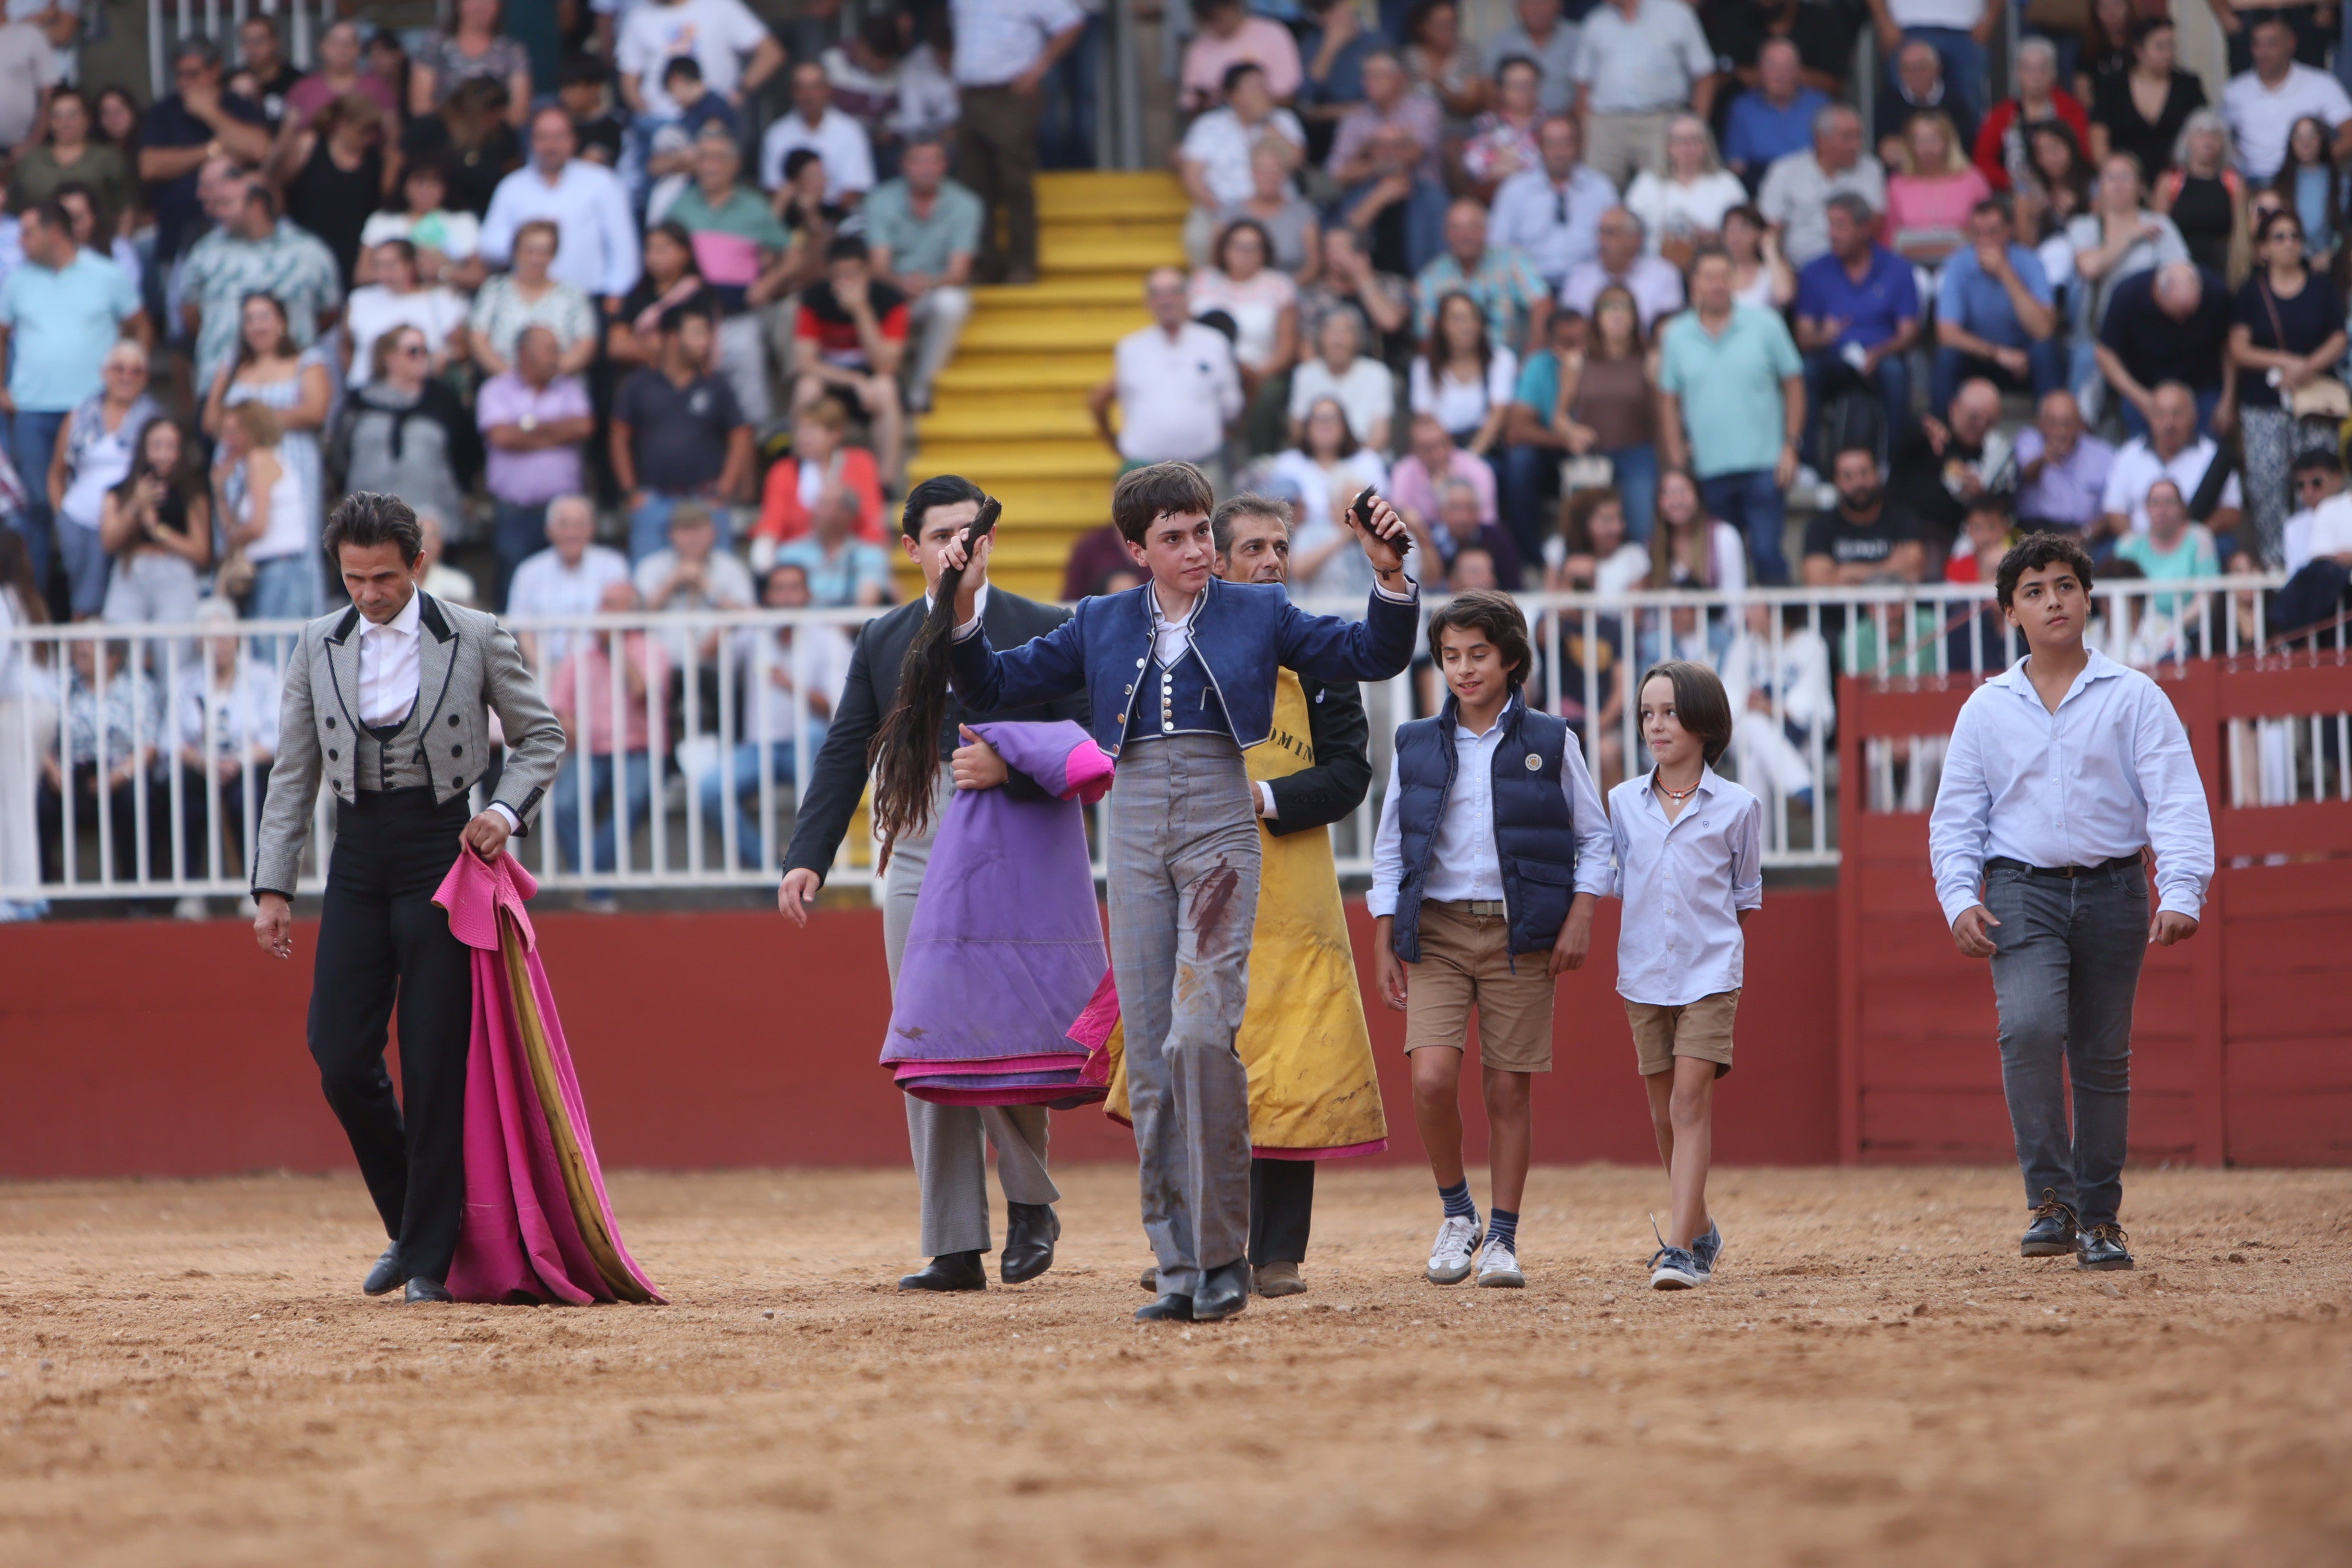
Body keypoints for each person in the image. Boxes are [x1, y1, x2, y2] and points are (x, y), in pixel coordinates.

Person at [942, 461, 1418, 1322]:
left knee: (1203, 1035)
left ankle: (1223, 1256)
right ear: (1136, 551)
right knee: (1157, 1048)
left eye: (1203, 531)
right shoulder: (1099, 621)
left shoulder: (1259, 610)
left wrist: (1389, 577)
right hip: (1132, 826)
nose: (1198, 548)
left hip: (1220, 821)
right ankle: (1178, 1265)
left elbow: (1370, 653)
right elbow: (992, 686)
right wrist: (966, 602)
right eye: (1177, 537)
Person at [250, 492, 567, 1305]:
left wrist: (501, 810)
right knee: (339, 1053)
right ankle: (412, 1221)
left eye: (383, 576)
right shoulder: (318, 642)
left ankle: (428, 1257)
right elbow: (294, 771)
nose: (368, 593)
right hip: (356, 856)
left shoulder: (474, 632)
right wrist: (273, 884)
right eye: (353, 578)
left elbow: (542, 736)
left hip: (441, 848)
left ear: (417, 563)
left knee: (432, 1062)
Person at [779, 475, 1088, 1292]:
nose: (964, 544)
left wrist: (1013, 759)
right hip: (916, 839)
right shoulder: (884, 637)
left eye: (974, 530)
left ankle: (1027, 1204)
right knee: (928, 1031)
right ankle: (954, 1240)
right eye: (945, 531)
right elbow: (847, 747)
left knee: (1005, 1026)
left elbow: (1088, 735)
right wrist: (807, 851)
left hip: (1015, 839)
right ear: (911, 547)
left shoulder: (1044, 626)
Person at [1107, 496, 1385, 1299]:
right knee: (1196, 1059)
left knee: (1291, 1068)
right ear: (1216, 561)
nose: (1271, 561)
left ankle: (1277, 1251)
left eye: (1282, 547)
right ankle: (1198, 1241)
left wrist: (1258, 800)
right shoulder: (1171, 650)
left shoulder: (1317, 652)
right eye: (1253, 548)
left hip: (1292, 893)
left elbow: (1348, 776)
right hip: (1194, 886)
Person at [1928, 531, 2213, 1274]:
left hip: (2117, 885)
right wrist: (1960, 895)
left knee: (2099, 1054)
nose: (2052, 599)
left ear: (2088, 598)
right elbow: (1956, 814)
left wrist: (2180, 885)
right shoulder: (1986, 708)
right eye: (2034, 590)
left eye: (2064, 585)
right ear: (2010, 612)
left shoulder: (2134, 695)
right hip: (2020, 888)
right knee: (2027, 1028)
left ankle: (2100, 1217)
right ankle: (2050, 1200)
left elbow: (2176, 797)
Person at [1369, 589, 1611, 1289]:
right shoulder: (1416, 741)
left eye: (1479, 654)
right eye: (1451, 656)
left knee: (1508, 1089)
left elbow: (1594, 839)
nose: (1465, 669)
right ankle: (1458, 1211)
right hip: (1439, 928)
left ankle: (1502, 1234)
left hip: (1521, 932)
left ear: (1510, 658)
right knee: (1432, 1077)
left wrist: (1581, 914)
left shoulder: (1552, 739)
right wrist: (1385, 938)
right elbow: (1391, 849)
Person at [1605, 658, 1758, 1289]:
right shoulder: (1621, 802)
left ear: (1703, 722)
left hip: (1709, 974)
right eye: (1647, 713)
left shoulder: (1738, 806)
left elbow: (1744, 895)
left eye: (1669, 712)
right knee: (1665, 1111)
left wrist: (1714, 957)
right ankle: (1697, 1226)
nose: (1655, 725)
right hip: (1642, 973)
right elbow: (1616, 880)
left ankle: (1682, 1248)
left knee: (1690, 1100)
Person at [0, 197, 141, 607]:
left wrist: (127, 375)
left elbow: (139, 326)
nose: (19, 241)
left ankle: (97, 614)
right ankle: (34, 611)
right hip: (33, 411)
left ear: (53, 232)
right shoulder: (18, 280)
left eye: (27, 232)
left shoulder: (107, 274)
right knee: (36, 508)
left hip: (95, 411)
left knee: (100, 510)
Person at [1658, 245, 1804, 584]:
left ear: (1735, 279)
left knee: (1767, 555)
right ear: (1694, 282)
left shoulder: (1766, 323)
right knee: (1717, 567)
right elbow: (1668, 400)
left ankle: (1780, 633)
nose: (1717, 284)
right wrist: (1678, 459)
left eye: (1724, 275)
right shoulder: (1677, 335)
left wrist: (1791, 446)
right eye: (1708, 276)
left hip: (1765, 465)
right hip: (1707, 470)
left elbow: (1795, 384)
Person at [700, 560, 854, 872]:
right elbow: (706, 657)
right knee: (709, 789)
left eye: (794, 588)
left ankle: (810, 861)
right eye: (779, 589)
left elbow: (841, 709)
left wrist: (794, 687)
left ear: (807, 595)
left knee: (812, 734)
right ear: (768, 596)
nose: (786, 597)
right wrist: (730, 618)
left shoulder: (827, 638)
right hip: (760, 748)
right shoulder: (757, 632)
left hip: (811, 748)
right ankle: (772, 867)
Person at [2230, 206, 2345, 565]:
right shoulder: (2251, 293)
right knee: (2268, 486)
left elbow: (2339, 338)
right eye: (2279, 237)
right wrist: (2285, 363)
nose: (2289, 244)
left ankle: (2321, 560)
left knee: (2318, 480)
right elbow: (2238, 348)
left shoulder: (2322, 288)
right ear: (2263, 248)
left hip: (2314, 403)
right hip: (2265, 403)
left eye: (2295, 237)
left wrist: (2307, 367)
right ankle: (2277, 567)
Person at [667, 126, 795, 428]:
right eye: (703, 158)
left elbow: (793, 253)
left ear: (735, 165)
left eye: (717, 158)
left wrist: (769, 283)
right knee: (693, 406)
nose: (709, 165)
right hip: (693, 320)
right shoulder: (681, 205)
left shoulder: (753, 206)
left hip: (740, 319)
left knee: (750, 411)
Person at [952, 0, 1086, 285]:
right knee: (973, 184)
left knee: (1015, 182)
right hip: (971, 95)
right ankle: (984, 264)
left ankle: (1022, 265)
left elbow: (1072, 22)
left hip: (1011, 94)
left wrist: (1039, 68)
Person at [545, 578, 665, 888]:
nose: (602, 611)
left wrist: (615, 647)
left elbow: (642, 692)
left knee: (632, 799)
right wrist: (569, 725)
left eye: (612, 605)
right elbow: (560, 707)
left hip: (638, 750)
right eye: (602, 604)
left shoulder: (651, 650)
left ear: (631, 612)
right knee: (562, 804)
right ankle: (596, 886)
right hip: (590, 751)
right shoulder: (579, 656)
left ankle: (588, 882)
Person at [178, 177, 342, 400]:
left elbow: (329, 314)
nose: (218, 212)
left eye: (227, 204)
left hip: (290, 388)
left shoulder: (309, 251)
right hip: (220, 384)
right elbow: (190, 312)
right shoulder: (205, 251)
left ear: (256, 205)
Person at [614, 304, 754, 561]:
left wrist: (724, 490)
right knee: (646, 585)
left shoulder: (716, 383)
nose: (707, 342)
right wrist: (630, 491)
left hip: (706, 499)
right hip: (653, 500)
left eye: (708, 334)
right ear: (672, 337)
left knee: (719, 580)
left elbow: (741, 435)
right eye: (697, 333)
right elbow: (619, 437)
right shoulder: (638, 384)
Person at [333, 327, 483, 559]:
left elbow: (467, 453)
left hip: (434, 521)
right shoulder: (359, 402)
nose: (422, 357)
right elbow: (341, 454)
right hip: (370, 523)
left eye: (426, 351)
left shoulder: (445, 402)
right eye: (413, 351)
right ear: (389, 358)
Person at [1796, 193, 1921, 466]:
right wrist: (1821, 336)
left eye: (1841, 225)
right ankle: (1808, 464)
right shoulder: (1814, 272)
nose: (1833, 234)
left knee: (1896, 372)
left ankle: (1893, 464)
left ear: (1864, 228)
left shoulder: (1897, 269)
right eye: (1830, 225)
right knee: (1805, 370)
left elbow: (1908, 334)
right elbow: (1803, 337)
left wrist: (1877, 353)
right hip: (1834, 357)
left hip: (1882, 356)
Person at [477, 324, 594, 606]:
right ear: (524, 355)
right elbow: (502, 436)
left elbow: (582, 427)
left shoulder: (570, 388)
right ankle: (508, 652)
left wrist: (526, 428)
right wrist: (555, 434)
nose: (557, 357)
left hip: (564, 511)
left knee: (565, 586)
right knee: (513, 582)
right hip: (514, 510)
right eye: (549, 350)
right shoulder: (496, 389)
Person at [1092, 268, 1242, 484]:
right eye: (1157, 294)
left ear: (1187, 297)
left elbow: (1232, 404)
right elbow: (1102, 400)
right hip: (1145, 473)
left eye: (1174, 291)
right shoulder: (1130, 348)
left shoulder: (1214, 342)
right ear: (1148, 302)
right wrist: (1115, 444)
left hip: (1204, 468)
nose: (1166, 300)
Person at [480, 106, 640, 308]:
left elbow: (623, 245)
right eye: (543, 137)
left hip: (588, 299)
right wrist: (529, 237)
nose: (551, 146)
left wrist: (617, 291)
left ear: (573, 140)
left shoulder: (601, 182)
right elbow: (489, 243)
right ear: (532, 142)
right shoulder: (512, 186)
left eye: (559, 137)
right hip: (527, 300)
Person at [865, 135, 980, 415]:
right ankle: (884, 388)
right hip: (890, 292)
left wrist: (927, 284)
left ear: (945, 166)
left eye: (934, 160)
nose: (926, 168)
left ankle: (921, 389)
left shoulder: (966, 204)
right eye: (918, 160)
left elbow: (959, 272)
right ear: (904, 165)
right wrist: (900, 283)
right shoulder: (880, 200)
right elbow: (878, 266)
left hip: (933, 292)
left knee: (953, 302)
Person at [172, 598, 279, 901]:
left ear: (237, 638)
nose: (217, 646)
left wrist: (239, 761)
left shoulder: (262, 676)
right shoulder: (185, 681)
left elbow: (277, 735)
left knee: (248, 799)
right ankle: (190, 892)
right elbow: (171, 738)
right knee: (184, 798)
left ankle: (254, 889)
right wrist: (203, 762)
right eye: (209, 639)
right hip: (200, 769)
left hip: (249, 766)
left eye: (223, 637)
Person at [139, 35, 271, 270]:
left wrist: (211, 113)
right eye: (180, 75)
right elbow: (150, 166)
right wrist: (214, 150)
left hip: (238, 237)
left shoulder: (240, 107)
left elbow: (260, 150)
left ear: (216, 70)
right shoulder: (163, 112)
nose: (185, 82)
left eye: (193, 74)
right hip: (177, 236)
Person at [48, 340, 157, 619]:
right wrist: (62, 516)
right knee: (84, 607)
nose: (126, 377)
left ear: (145, 377)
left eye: (135, 371)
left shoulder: (154, 420)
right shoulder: (79, 416)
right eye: (119, 369)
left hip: (130, 521)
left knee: (123, 609)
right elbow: (56, 473)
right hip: (80, 521)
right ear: (105, 373)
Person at [1569, 0, 1717, 189]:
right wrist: (1586, 128)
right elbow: (1582, 82)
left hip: (1661, 119)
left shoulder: (1676, 14)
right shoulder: (1596, 21)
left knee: (1666, 186)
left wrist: (1694, 126)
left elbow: (1704, 74)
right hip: (1607, 123)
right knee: (1595, 187)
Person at [1553, 285, 1661, 541]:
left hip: (1638, 455)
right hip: (1593, 458)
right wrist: (1572, 430)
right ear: (1597, 319)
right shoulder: (1577, 361)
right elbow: (1559, 416)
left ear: (1635, 318)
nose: (1617, 315)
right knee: (1587, 534)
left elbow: (1661, 416)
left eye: (1625, 308)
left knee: (1643, 530)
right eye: (1609, 308)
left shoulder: (1650, 360)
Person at [1931, 196, 2061, 409]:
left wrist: (2006, 273)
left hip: (2023, 361)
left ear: (2009, 230)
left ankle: (2050, 432)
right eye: (1977, 233)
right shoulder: (1957, 264)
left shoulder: (2030, 262)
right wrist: (1998, 354)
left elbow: (2044, 330)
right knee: (1947, 356)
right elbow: (1947, 333)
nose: (1985, 240)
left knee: (2046, 351)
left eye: (1993, 232)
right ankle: (1941, 434)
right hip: (1980, 357)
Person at [97, 416, 209, 650]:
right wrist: (135, 505)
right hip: (130, 572)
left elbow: (201, 552)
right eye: (156, 446)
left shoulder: (192, 492)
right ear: (143, 449)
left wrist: (158, 531)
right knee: (122, 649)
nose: (163, 455)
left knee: (173, 651)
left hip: (174, 573)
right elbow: (108, 541)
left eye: (171, 447)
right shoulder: (119, 491)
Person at [1178, 62, 1307, 262]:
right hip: (1222, 208)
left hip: (1278, 208)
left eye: (1265, 86)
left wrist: (1265, 121)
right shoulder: (1209, 125)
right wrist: (1222, 213)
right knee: (1198, 237)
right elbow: (1192, 177)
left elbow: (1296, 161)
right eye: (1255, 87)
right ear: (1233, 95)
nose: (1264, 93)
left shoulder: (1283, 119)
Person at [1191, 218, 1298, 451]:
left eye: (1253, 247)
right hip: (1207, 369)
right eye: (1238, 246)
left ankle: (1260, 458)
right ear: (1224, 249)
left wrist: (1257, 376)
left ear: (1265, 252)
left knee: (1267, 396)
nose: (1245, 254)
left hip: (1261, 370)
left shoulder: (1279, 285)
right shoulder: (1203, 281)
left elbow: (1286, 347)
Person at [2095, 260, 2233, 439]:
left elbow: (2230, 347)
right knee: (2141, 447)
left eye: (2189, 313)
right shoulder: (2128, 294)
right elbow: (2105, 353)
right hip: (2144, 387)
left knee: (2211, 446)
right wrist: (2141, 398)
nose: (2181, 321)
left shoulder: (2216, 292)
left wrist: (2228, 399)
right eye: (2177, 313)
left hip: (2201, 386)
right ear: (2157, 294)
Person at [1271, 396, 1390, 602]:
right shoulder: (1287, 463)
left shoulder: (1368, 461)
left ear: (1345, 425)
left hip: (1364, 545)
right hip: (1304, 547)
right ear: (1306, 425)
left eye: (1332, 418)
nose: (1325, 425)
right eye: (1318, 418)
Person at [2097, 379, 2245, 542]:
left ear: (2194, 416)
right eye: (2160, 414)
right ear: (2149, 418)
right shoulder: (2128, 454)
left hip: (2197, 544)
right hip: (2140, 546)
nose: (2169, 423)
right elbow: (2114, 510)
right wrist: (2141, 546)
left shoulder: (2213, 455)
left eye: (2177, 414)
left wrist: (2194, 538)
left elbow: (2232, 510)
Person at [270, 91, 389, 291]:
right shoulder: (309, 145)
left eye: (372, 131)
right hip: (309, 243)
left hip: (353, 249)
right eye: (363, 130)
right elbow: (278, 183)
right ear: (342, 124)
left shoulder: (375, 160)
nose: (368, 138)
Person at [1720, 600, 1833, 802]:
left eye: (1755, 606)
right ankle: (1800, 782)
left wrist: (1771, 709)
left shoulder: (1810, 644)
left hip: (1796, 736)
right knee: (1752, 724)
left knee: (1753, 763)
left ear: (1776, 612)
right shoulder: (1743, 645)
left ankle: (1755, 835)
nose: (1748, 611)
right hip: (1748, 731)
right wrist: (1753, 704)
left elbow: (1809, 699)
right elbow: (1729, 698)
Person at [504, 495, 631, 669]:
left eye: (580, 525)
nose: (572, 533)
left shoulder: (613, 565)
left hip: (602, 669)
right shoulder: (528, 571)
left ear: (592, 529)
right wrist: (545, 674)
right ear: (548, 530)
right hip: (546, 669)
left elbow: (622, 622)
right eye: (564, 525)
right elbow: (522, 630)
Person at [2220, 15, 2352, 182]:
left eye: (2271, 44)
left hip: (2305, 179)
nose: (2263, 52)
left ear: (2291, 44)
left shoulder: (2321, 84)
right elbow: (2219, 140)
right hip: (2251, 183)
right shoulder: (2234, 90)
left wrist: (2318, 161)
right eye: (2256, 44)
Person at [1758, 103, 1886, 271]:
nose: (1856, 145)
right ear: (1821, 139)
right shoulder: (1785, 170)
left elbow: (1874, 222)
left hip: (1855, 269)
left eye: (1859, 136)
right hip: (1797, 271)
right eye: (1847, 137)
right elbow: (1771, 226)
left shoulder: (1870, 169)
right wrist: (1782, 269)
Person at [1414, 197, 1547, 356]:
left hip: (1510, 363)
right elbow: (1425, 336)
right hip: (1456, 370)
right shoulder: (1431, 277)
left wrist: (1530, 359)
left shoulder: (1512, 261)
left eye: (1472, 227)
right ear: (1446, 234)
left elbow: (1542, 304)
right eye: (1456, 228)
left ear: (1486, 230)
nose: (1464, 236)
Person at [754, 395, 885, 549]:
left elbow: (872, 522)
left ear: (835, 434)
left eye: (812, 429)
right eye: (799, 429)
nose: (802, 436)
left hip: (850, 555)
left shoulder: (862, 463)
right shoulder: (782, 471)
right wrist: (763, 555)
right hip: (798, 559)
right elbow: (771, 525)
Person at [1624, 114, 1747, 272]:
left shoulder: (1726, 183)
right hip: (1655, 271)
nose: (1687, 148)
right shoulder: (1647, 183)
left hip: (1712, 272)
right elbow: (1627, 227)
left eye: (1694, 140)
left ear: (1706, 145)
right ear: (1668, 147)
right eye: (1680, 141)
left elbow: (1744, 231)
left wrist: (1716, 238)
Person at [342, 240, 469, 389]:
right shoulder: (360, 299)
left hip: (422, 395)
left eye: (391, 265)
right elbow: (346, 345)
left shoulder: (441, 300)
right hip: (365, 392)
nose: (383, 272)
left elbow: (462, 349)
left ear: (411, 265)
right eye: (378, 265)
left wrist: (443, 359)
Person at [1973, 37, 2090, 195]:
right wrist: (2013, 183)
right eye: (2028, 69)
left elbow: (2082, 153)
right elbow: (1983, 161)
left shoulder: (2071, 109)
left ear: (2054, 74)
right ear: (2018, 74)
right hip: (2012, 192)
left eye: (2043, 69)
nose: (2036, 77)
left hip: (2064, 190)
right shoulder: (2001, 114)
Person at [2090, 17, 2204, 181]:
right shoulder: (2112, 86)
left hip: (2179, 179)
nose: (2168, 54)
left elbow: (2202, 131)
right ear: (2139, 50)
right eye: (2160, 47)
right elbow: (2099, 141)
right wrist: (2117, 178)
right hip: (2124, 181)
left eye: (2172, 46)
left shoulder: (2188, 85)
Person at [1337, 119, 1449, 280]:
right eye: (1381, 146)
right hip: (1363, 285)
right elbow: (1337, 248)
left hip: (1419, 284)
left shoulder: (1432, 198)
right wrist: (1374, 202)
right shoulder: (1357, 195)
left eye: (1397, 146)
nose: (1389, 153)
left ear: (1410, 152)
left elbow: (1444, 254)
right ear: (1372, 153)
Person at [1885, 110, 1992, 274]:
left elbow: (1989, 226)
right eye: (1919, 141)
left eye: (1933, 140)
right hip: (1910, 267)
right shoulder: (1897, 184)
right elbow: (1888, 237)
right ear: (1910, 145)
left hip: (1966, 266)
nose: (1927, 148)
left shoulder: (1972, 179)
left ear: (1948, 142)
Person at [758, 59, 876, 205]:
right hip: (791, 218)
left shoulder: (850, 131)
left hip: (839, 218)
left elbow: (855, 189)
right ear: (792, 93)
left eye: (815, 87)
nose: (808, 95)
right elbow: (773, 188)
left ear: (828, 90)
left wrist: (823, 220)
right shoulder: (776, 134)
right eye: (801, 88)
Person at [1409, 289, 1513, 455]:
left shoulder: (1500, 359)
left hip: (1485, 449)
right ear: (1442, 325)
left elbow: (1498, 415)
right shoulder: (1423, 366)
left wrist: (1471, 457)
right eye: (1458, 319)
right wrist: (1445, 460)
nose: (1467, 326)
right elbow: (1425, 419)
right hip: (1441, 451)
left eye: (1473, 318)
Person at [9, 87, 133, 224]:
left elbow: (126, 207)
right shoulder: (31, 161)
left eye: (72, 115)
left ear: (87, 119)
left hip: (97, 242)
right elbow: (12, 209)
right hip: (41, 242)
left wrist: (121, 242)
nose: (64, 122)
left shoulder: (107, 158)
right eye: (57, 116)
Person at [1803, 444, 1926, 583]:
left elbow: (1913, 571)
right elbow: (1817, 580)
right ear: (1836, 481)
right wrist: (1888, 569)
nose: (1858, 483)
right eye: (1848, 476)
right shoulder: (1820, 527)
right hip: (1840, 606)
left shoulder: (1903, 519)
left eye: (1864, 473)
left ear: (1878, 474)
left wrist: (1847, 573)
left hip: (1893, 605)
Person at [1327, 48, 1444, 189]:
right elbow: (1336, 171)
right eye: (1366, 76)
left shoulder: (1425, 109)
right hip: (1368, 188)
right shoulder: (1355, 117)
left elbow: (1414, 154)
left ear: (1401, 79)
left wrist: (1367, 152)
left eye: (1378, 76)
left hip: (1420, 190)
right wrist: (1378, 162)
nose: (1369, 82)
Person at [2151, 110, 2247, 279]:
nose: (2207, 141)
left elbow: (2240, 234)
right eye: (2200, 134)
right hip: (2179, 267)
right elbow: (2159, 230)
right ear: (2187, 140)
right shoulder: (2170, 182)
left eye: (2214, 136)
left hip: (2221, 268)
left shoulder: (2233, 182)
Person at [1870, 0, 2002, 122]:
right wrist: (1884, 21)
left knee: (1968, 110)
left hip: (1966, 27)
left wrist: (1989, 19)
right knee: (1901, 113)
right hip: (1906, 24)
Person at [1558, 206, 1685, 333]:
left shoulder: (1664, 274)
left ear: (1635, 239)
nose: (1602, 241)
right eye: (1600, 233)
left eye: (1610, 233)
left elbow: (1668, 330)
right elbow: (1570, 330)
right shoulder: (1579, 277)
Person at [1286, 309, 1393, 454]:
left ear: (1358, 339)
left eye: (1345, 332)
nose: (1338, 340)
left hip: (1363, 456)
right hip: (1316, 459)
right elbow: (1297, 431)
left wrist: (1351, 463)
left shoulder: (1378, 374)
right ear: (1320, 337)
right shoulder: (1304, 374)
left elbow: (1380, 435)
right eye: (1331, 331)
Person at [1724, 39, 1829, 182]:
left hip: (1813, 183)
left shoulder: (1820, 105)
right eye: (1772, 66)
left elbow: (1832, 157)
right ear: (1760, 69)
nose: (1780, 74)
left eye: (1788, 67)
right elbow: (1736, 165)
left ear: (1799, 70)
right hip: (1760, 184)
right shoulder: (1742, 108)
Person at [411, 0, 533, 124]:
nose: (480, 6)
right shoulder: (434, 45)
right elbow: (421, 106)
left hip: (495, 136)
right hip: (441, 134)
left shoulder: (512, 50)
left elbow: (519, 111)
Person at [774, 484, 895, 607]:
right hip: (799, 625)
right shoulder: (789, 553)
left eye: (825, 504)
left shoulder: (871, 556)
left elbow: (866, 603)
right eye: (817, 504)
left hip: (851, 625)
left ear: (848, 513)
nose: (816, 511)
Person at [2014, 389, 2116, 533]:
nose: (2061, 431)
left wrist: (2086, 534)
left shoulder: (2103, 454)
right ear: (2040, 423)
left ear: (2081, 424)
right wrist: (2044, 458)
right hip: (2035, 530)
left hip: (2084, 533)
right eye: (2054, 423)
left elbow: (2114, 507)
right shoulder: (2029, 441)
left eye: (2068, 423)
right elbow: (2027, 474)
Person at [1181, 0, 1303, 112]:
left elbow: (1289, 97)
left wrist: (1243, 102)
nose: (1213, 25)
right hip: (1216, 127)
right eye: (1206, 20)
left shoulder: (1274, 34)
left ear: (1234, 6)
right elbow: (1190, 102)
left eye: (1217, 18)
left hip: (1268, 122)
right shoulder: (1199, 47)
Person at [1876, 37, 1978, 169]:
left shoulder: (1956, 103)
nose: (1915, 74)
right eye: (1908, 68)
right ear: (1900, 72)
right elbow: (1887, 152)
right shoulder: (1887, 103)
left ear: (1937, 69)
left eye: (1921, 67)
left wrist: (1907, 149)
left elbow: (1963, 150)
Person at [1648, 464, 1748, 589]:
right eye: (1668, 493)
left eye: (1683, 491)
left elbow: (1735, 599)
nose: (1676, 501)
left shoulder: (1724, 536)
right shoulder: (1652, 547)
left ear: (1698, 496)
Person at [286, 20, 400, 130]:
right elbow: (288, 137)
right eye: (335, 43)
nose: (341, 50)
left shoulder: (377, 88)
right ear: (322, 46)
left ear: (358, 48)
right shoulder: (303, 89)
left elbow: (392, 136)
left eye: (348, 43)